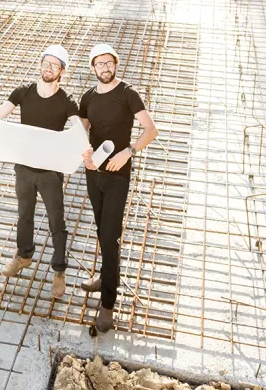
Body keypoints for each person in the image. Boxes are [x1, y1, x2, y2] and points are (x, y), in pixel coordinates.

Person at [0, 43, 78, 299]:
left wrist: (83, 142)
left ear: (62, 71)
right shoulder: (23, 92)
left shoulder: (67, 101)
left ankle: (59, 271)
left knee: (56, 222)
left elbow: (78, 128)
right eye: (45, 63)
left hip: (50, 171)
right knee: (24, 215)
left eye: (55, 65)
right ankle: (24, 255)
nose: (48, 68)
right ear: (40, 64)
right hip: (24, 166)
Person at [79, 42, 159, 332]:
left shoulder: (127, 93)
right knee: (102, 230)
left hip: (118, 175)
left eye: (109, 63)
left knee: (110, 237)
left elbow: (151, 129)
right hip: (93, 173)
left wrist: (129, 151)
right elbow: (81, 130)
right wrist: (84, 152)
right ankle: (105, 275)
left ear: (116, 64)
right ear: (93, 68)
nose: (105, 68)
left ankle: (108, 305)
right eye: (99, 64)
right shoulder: (88, 97)